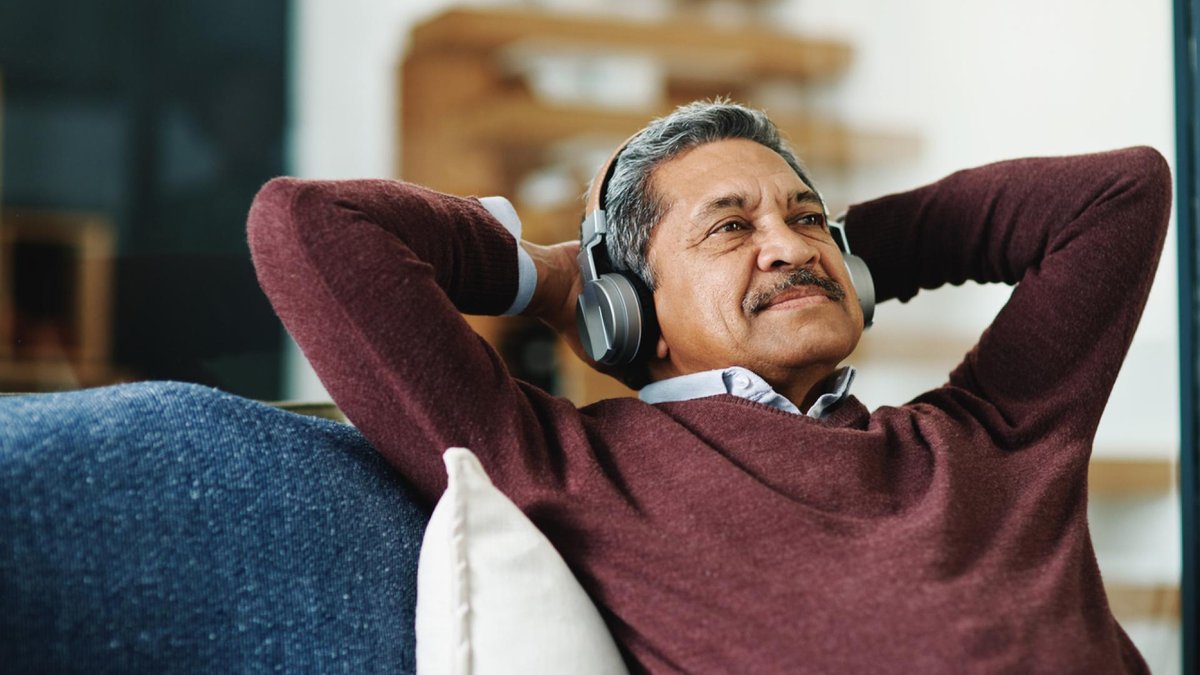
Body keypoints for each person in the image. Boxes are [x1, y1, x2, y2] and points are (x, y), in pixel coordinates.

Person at [247, 100, 1171, 673]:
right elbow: (307, 225)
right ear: (627, 306)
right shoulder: (571, 468)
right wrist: (554, 275)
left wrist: (836, 256)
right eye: (728, 228)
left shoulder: (990, 434)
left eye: (809, 216)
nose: (789, 241)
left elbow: (1118, 196)